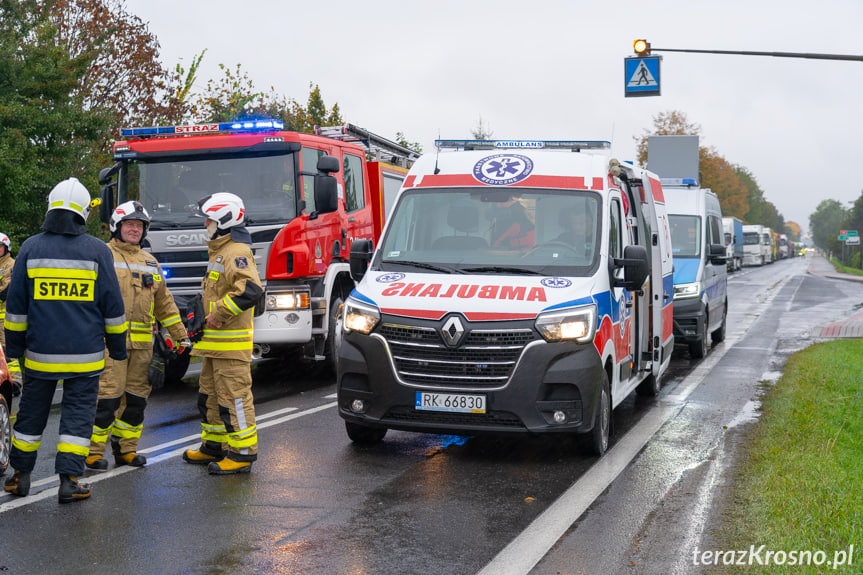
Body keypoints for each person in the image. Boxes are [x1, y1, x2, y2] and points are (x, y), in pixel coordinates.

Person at [3, 177, 127, 503]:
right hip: (85, 357)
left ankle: (20, 477)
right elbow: (112, 308)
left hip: (39, 355)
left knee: (30, 416)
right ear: (84, 211)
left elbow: (16, 309)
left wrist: (14, 349)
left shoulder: (30, 248)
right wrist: (117, 347)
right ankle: (70, 481)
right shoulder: (98, 251)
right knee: (77, 418)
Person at [85, 201, 190, 471]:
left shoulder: (151, 263)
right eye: (130, 224)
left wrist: (180, 336)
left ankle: (126, 450)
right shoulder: (101, 255)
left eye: (139, 226)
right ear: (116, 227)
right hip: (109, 344)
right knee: (106, 399)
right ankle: (93, 453)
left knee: (135, 401)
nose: (135, 230)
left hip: (143, 347)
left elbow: (165, 304)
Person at [183, 192, 262, 475]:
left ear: (223, 219)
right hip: (214, 347)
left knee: (234, 399)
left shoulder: (236, 252)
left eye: (209, 219)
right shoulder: (220, 251)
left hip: (230, 348)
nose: (205, 223)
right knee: (209, 398)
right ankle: (213, 446)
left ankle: (241, 454)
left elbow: (251, 290)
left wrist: (217, 314)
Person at [0, 232, 21, 394]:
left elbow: (7, 289)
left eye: (0, 247)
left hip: (6, 316)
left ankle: (14, 381)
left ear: (7, 248)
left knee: (7, 349)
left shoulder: (11, 265)